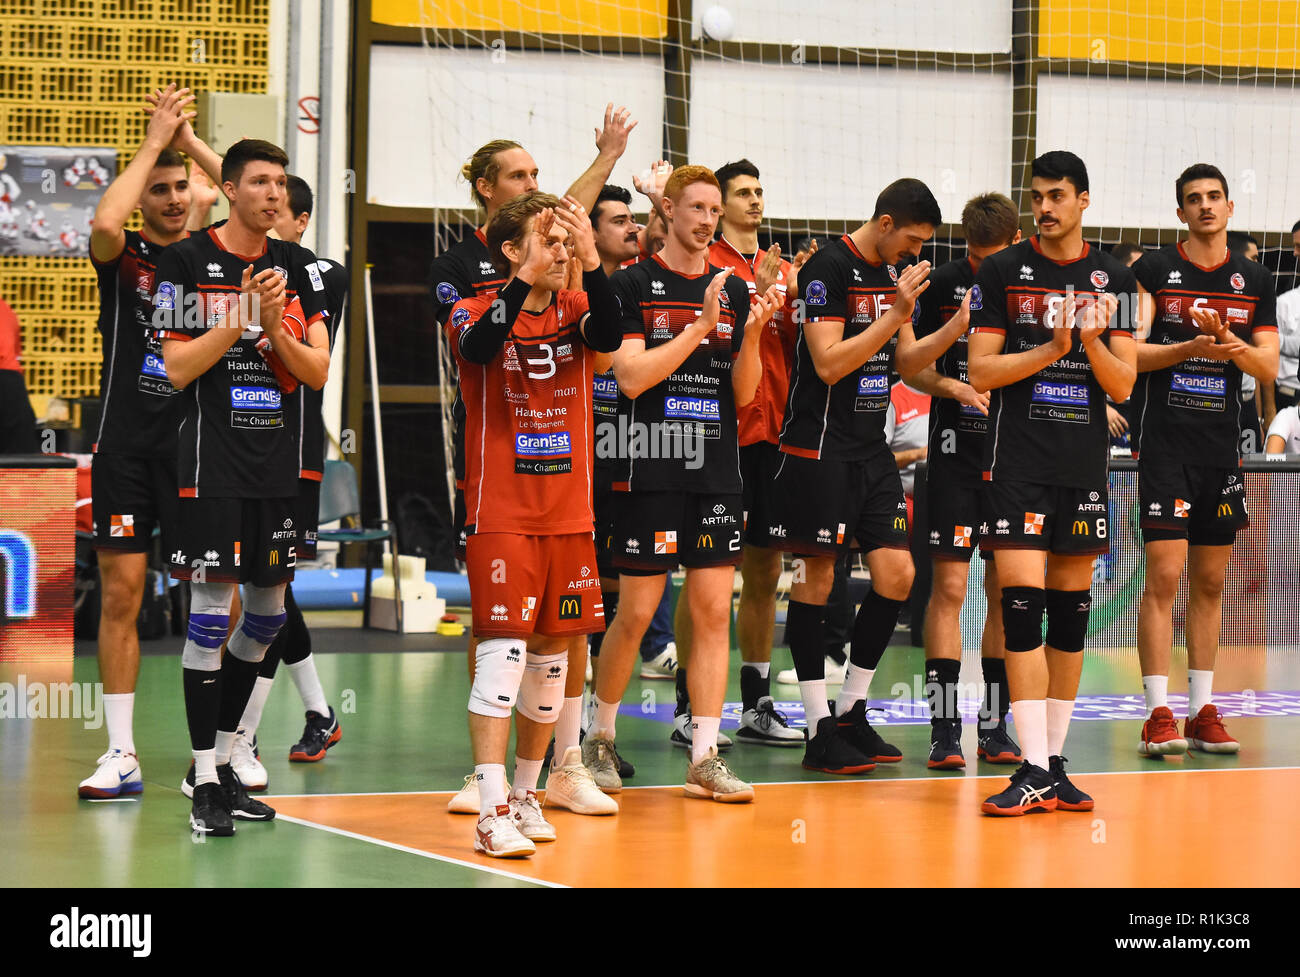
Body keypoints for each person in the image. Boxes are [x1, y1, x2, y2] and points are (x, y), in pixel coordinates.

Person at [434, 108, 638, 816]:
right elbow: (482, 346)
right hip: (502, 508)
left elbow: (609, 330)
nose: (560, 250)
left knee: (555, 646)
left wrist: (590, 254)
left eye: (563, 241)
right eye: (547, 240)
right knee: (503, 647)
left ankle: (530, 790)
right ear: (512, 249)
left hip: (569, 511)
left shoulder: (579, 301)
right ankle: (489, 799)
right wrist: (524, 278)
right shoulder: (473, 301)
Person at [587, 165, 781, 801]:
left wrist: (749, 332)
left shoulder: (738, 291)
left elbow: (745, 392)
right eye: (695, 208)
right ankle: (600, 738)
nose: (705, 221)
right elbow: (634, 378)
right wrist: (700, 326)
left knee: (710, 614)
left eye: (712, 211)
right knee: (638, 612)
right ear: (666, 211)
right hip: (650, 463)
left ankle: (704, 755)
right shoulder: (632, 285)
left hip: (716, 472)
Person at [156, 138, 331, 836]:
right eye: (260, 181)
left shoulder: (298, 268)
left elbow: (315, 371)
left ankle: (227, 763)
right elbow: (173, 368)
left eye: (281, 182)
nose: (273, 192)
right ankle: (203, 779)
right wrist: (236, 318)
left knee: (265, 620)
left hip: (277, 471)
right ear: (229, 188)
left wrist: (272, 331)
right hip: (210, 467)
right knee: (209, 617)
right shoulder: (185, 262)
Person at [968, 150, 1137, 815]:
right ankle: (1032, 763)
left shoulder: (1113, 278)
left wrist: (1091, 344)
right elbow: (981, 373)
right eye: (1037, 196)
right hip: (1018, 467)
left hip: (1081, 468)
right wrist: (1050, 348)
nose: (1044, 206)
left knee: (1071, 620)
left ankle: (1054, 763)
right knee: (1021, 611)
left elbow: (1122, 384)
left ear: (1084, 200)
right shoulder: (1003, 271)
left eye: (1057, 195)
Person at [77, 84, 223, 799]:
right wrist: (152, 140)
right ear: (143, 197)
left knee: (210, 599)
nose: (170, 197)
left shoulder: (210, 256)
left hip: (200, 448)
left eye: (181, 188)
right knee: (121, 593)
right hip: (127, 447)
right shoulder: (125, 254)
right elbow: (104, 218)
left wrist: (191, 142)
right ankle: (122, 751)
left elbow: (254, 193)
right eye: (158, 188)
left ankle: (218, 754)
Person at [763, 178, 939, 775]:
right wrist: (895, 314)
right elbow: (830, 363)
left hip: (870, 451)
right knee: (816, 580)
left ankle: (851, 712)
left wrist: (952, 326)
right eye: (912, 240)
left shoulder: (896, 276)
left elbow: (907, 364)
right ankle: (817, 730)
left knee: (897, 574)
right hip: (819, 451)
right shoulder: (828, 270)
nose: (914, 254)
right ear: (885, 223)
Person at [194, 174, 349, 793]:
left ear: (300, 221)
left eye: (277, 205)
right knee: (251, 602)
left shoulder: (318, 276)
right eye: (255, 196)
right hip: (233, 460)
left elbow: (314, 368)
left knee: (270, 598)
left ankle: (246, 736)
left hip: (295, 459)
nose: (263, 215)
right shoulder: (222, 268)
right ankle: (299, 717)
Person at [1131, 163, 1278, 759]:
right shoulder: (1151, 272)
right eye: (1194, 200)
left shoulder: (1255, 279)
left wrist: (1228, 343)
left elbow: (1268, 368)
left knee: (1211, 581)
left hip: (1221, 451)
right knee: (1165, 576)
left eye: (1215, 197)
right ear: (1180, 213)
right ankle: (1156, 713)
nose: (1206, 207)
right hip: (1164, 446)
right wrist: (1188, 347)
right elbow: (1128, 355)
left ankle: (1202, 710)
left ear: (1229, 208)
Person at [679, 157, 811, 748]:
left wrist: (797, 299)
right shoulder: (706, 264)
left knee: (765, 569)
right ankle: (688, 706)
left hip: (776, 430)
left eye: (759, 191)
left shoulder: (779, 267)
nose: (754, 201)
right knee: (707, 573)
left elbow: (798, 344)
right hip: (718, 430)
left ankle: (756, 704)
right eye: (742, 193)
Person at [895, 191, 1022, 770]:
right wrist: (954, 387)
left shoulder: (1031, 285)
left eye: (991, 256)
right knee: (948, 591)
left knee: (1004, 592)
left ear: (1015, 244)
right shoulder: (943, 281)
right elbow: (911, 367)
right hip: (951, 456)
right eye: (974, 256)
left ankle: (995, 727)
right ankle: (945, 730)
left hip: (1015, 461)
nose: (982, 266)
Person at [0, 294, 38, 455]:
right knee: (19, 458)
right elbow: (16, 353)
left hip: (8, 379)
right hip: (12, 382)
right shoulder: (6, 308)